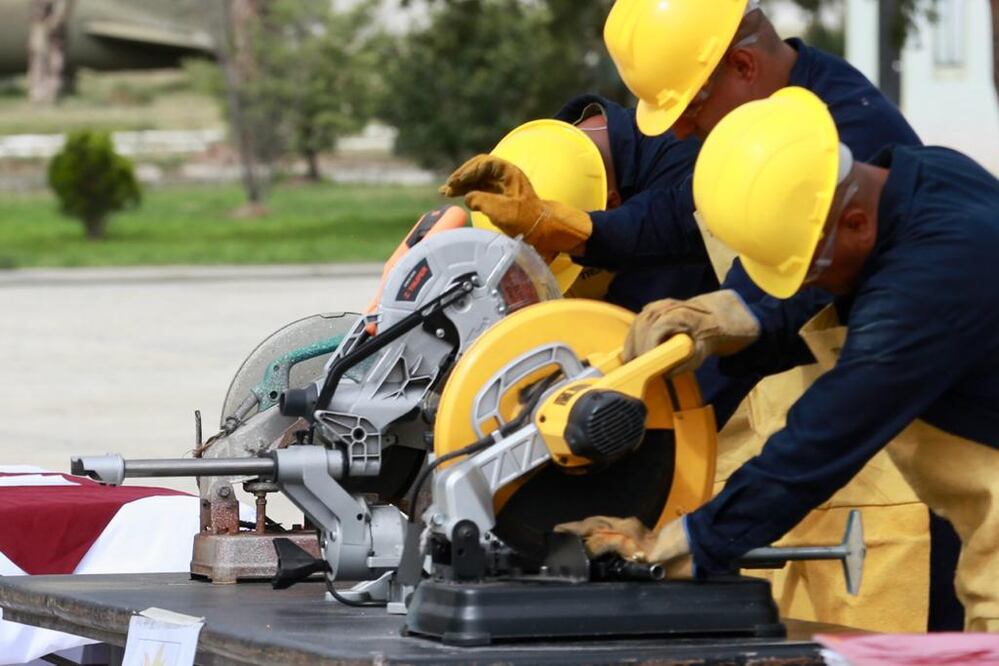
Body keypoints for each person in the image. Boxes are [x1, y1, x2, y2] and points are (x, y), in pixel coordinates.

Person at [447, 0, 964, 632]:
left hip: (885, 470)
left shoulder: (861, 154)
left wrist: (678, 543)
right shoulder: (784, 133)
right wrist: (582, 230)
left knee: (879, 636)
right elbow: (690, 211)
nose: (681, 135)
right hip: (814, 437)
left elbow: (826, 426)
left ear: (743, 65)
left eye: (687, 111)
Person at [558, 87, 999, 632]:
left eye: (802, 271)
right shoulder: (921, 176)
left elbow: (821, 441)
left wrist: (680, 545)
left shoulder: (923, 288)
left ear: (857, 222)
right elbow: (817, 295)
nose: (806, 288)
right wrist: (730, 324)